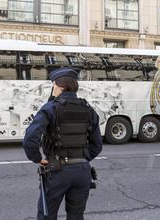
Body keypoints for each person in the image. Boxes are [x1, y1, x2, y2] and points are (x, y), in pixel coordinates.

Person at [23, 67, 103, 220]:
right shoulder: (88, 109)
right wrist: (81, 160)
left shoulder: (51, 107)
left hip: (57, 171)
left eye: (53, 84)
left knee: (47, 215)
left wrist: (38, 159)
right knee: (76, 216)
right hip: (83, 172)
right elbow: (97, 145)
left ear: (60, 86)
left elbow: (30, 139)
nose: (52, 88)